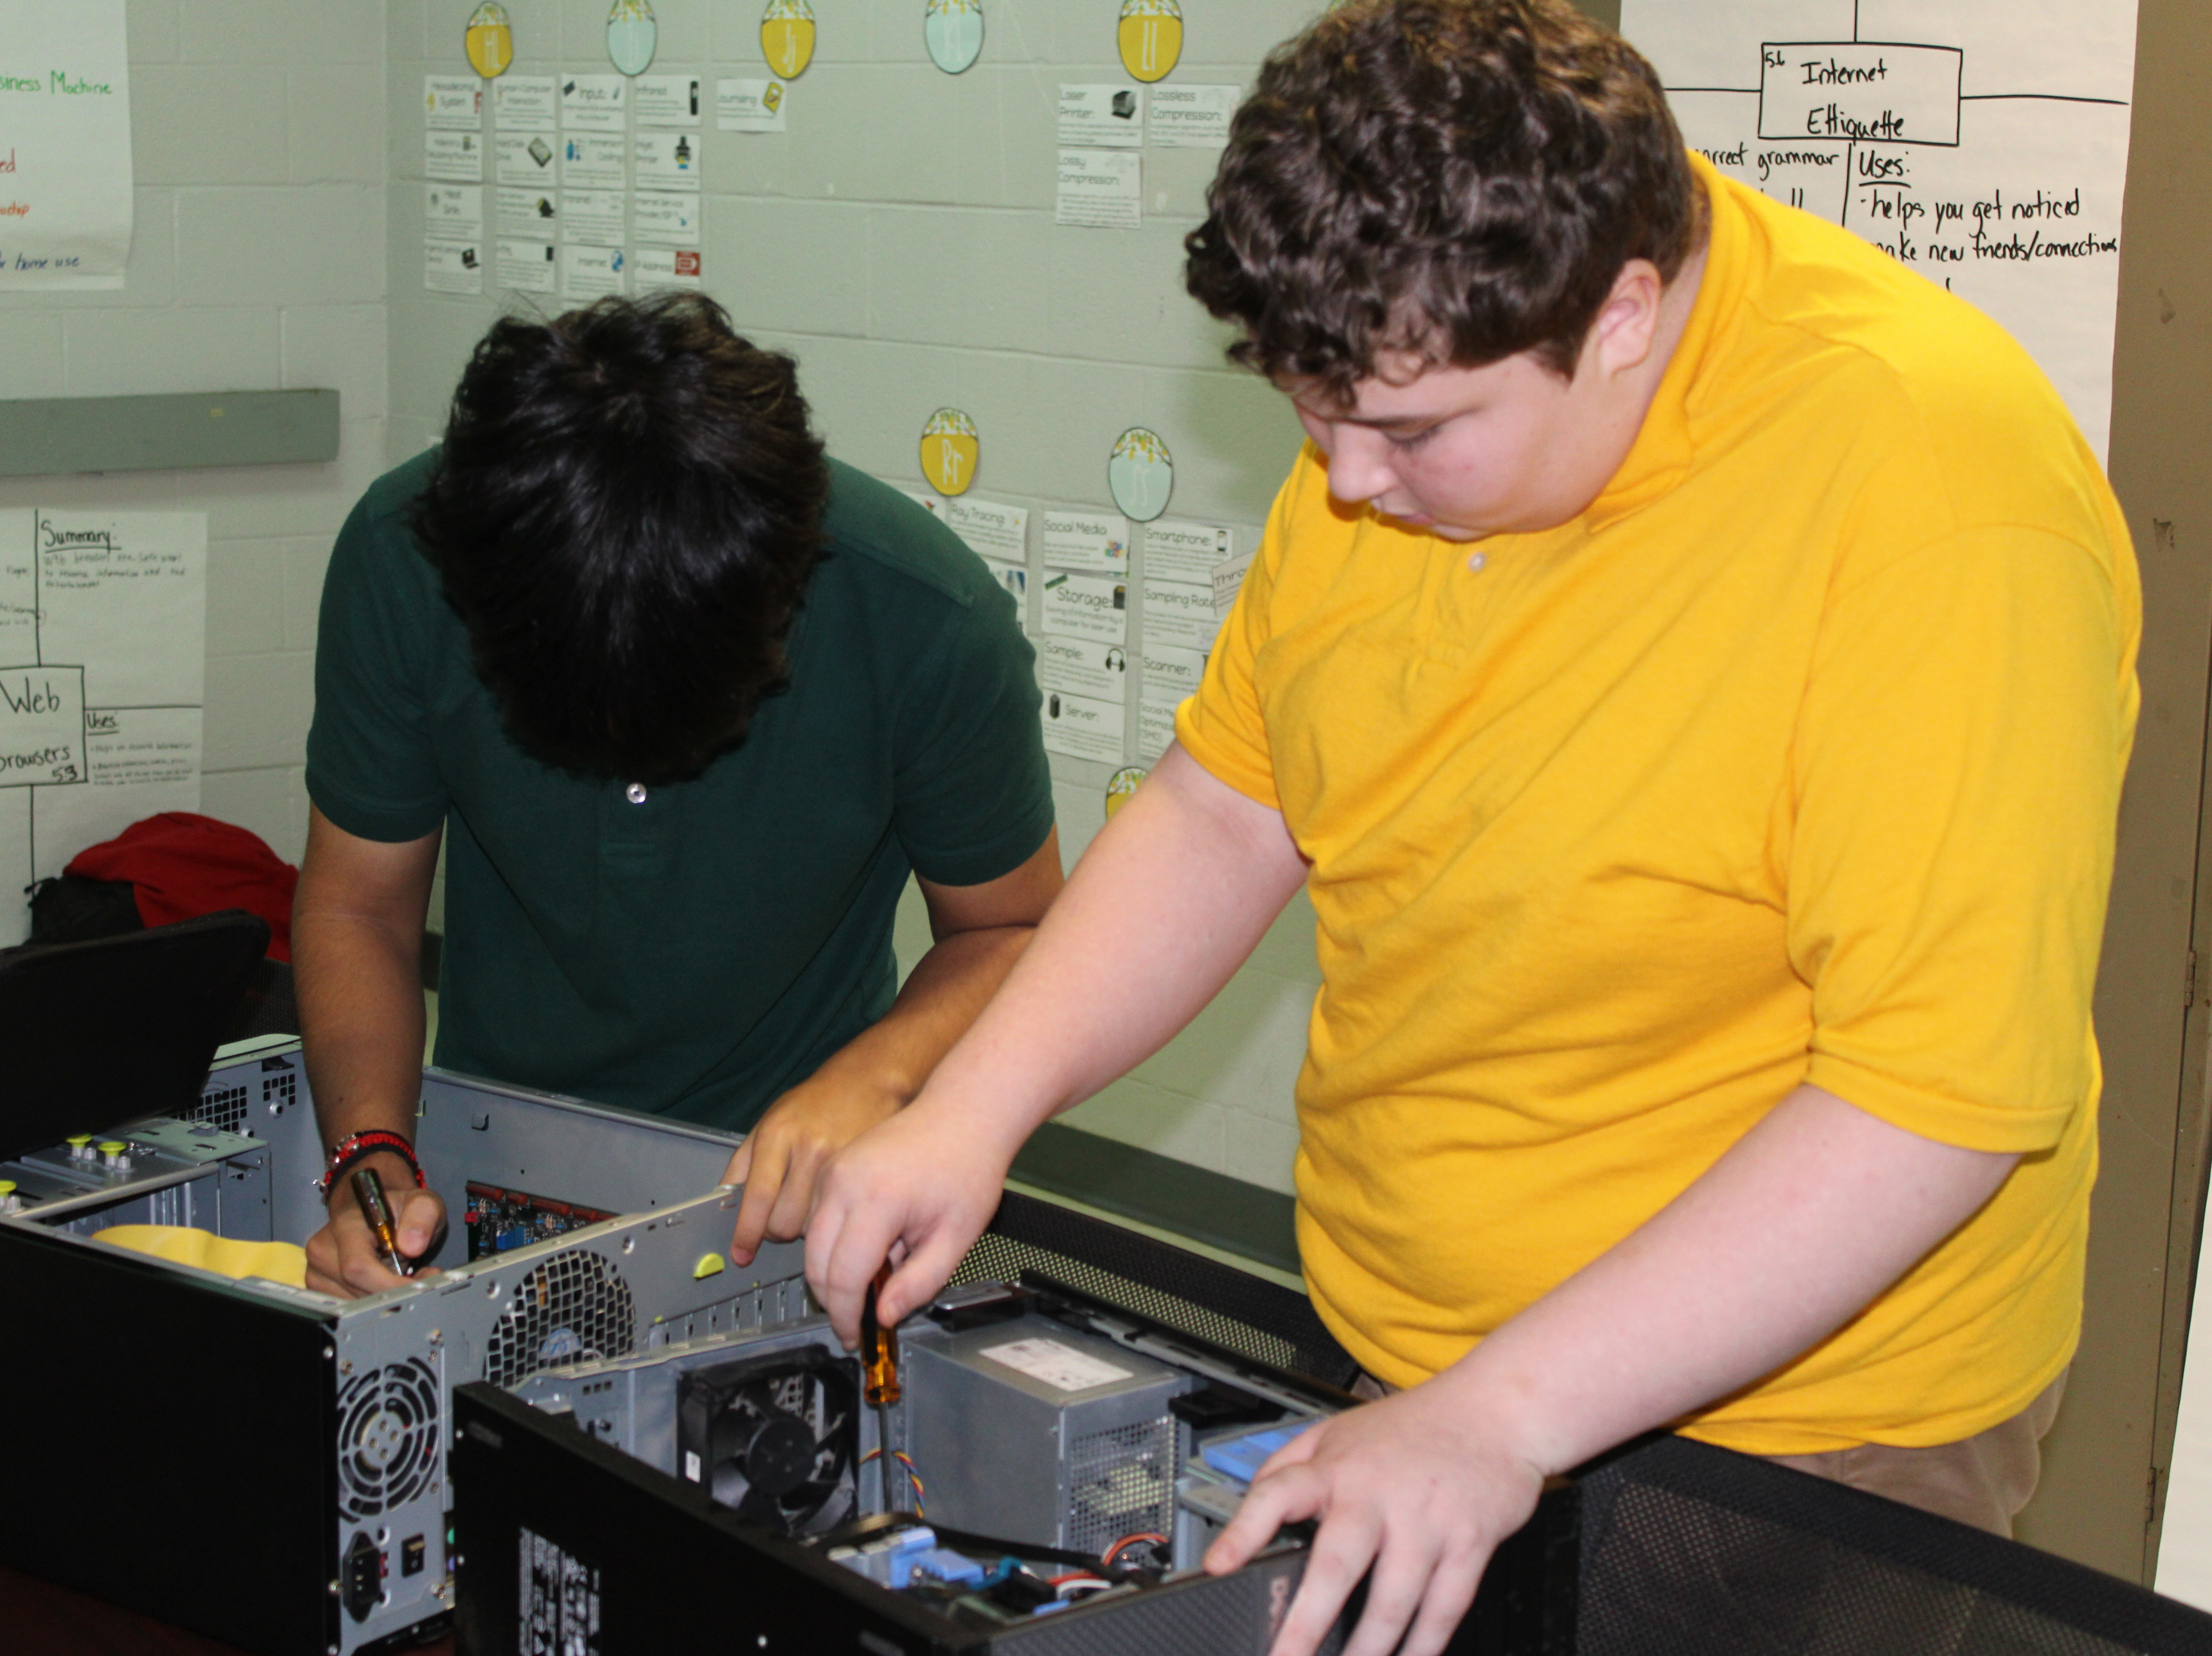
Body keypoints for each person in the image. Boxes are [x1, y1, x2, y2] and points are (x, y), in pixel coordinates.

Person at [802, 5, 2139, 1654]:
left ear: (1628, 313)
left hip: (1791, 1434)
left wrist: (1506, 1411)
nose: (1349, 485)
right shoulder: (1411, 363)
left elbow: (1932, 1105)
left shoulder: (1939, 497)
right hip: (1431, 1350)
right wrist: (972, 1110)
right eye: (1313, 421)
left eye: (1413, 435)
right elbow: (1234, 805)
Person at [297, 294, 1061, 1298]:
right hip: (498, 1173)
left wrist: (872, 1082)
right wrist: (370, 1154)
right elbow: (359, 904)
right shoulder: (411, 562)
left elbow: (1015, 934)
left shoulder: (930, 624)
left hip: (790, 1202)